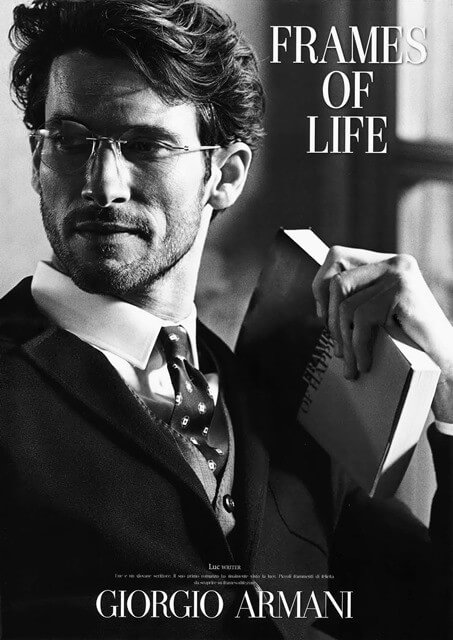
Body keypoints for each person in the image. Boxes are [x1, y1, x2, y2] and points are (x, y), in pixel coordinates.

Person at [1, 1, 452, 639]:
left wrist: (452, 382)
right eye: (71, 142)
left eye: (145, 145)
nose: (103, 185)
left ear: (226, 175)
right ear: (37, 158)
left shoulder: (282, 404)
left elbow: (431, 617)